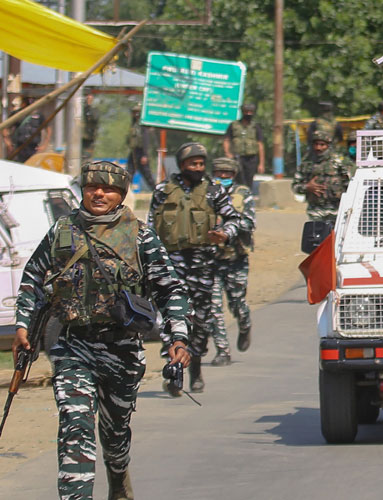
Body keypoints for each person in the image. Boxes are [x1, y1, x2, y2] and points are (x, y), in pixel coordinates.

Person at [13, 161, 192, 499]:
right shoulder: (61, 231)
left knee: (115, 433)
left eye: (108, 189)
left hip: (122, 349)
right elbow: (33, 279)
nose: (99, 193)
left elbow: (170, 288)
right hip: (71, 345)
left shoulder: (141, 235)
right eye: (93, 187)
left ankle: (118, 473)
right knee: (75, 425)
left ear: (120, 195)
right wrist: (23, 324)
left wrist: (177, 336)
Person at [147, 143, 248, 392]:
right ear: (182, 166)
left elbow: (236, 218)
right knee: (171, 319)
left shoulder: (213, 191)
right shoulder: (162, 190)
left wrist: (225, 234)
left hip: (203, 265)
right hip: (171, 266)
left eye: (202, 164)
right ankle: (174, 373)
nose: (198, 168)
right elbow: (150, 227)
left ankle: (196, 366)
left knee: (201, 322)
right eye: (193, 164)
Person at [208, 158, 256, 366]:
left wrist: (228, 227)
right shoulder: (205, 193)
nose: (223, 177)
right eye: (219, 173)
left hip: (236, 257)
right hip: (211, 259)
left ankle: (244, 324)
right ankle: (222, 350)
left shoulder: (243, 194)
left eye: (227, 173)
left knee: (237, 303)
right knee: (213, 306)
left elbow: (249, 222)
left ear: (234, 175)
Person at [292, 130, 351, 224]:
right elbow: (295, 187)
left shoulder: (339, 162)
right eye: (316, 144)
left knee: (334, 237)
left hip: (337, 209)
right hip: (315, 210)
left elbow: (350, 185)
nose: (318, 148)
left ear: (328, 145)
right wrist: (307, 187)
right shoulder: (306, 163)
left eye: (322, 144)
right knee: (317, 236)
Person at [223, 102, 265, 188]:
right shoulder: (234, 125)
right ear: (243, 112)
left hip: (251, 159)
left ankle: (247, 197)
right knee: (237, 180)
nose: (248, 114)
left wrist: (261, 164)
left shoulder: (255, 126)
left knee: (249, 181)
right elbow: (226, 140)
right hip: (237, 158)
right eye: (246, 111)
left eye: (250, 112)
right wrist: (228, 154)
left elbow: (260, 145)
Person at [126, 104, 157, 191]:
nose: (135, 114)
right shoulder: (134, 124)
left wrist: (145, 155)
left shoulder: (143, 125)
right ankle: (126, 191)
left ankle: (155, 191)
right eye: (134, 112)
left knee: (147, 173)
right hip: (134, 151)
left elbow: (145, 140)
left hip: (141, 151)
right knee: (129, 171)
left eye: (137, 112)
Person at [11, 96, 50, 163]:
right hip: (19, 147)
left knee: (32, 166)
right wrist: (9, 144)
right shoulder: (16, 114)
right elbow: (5, 128)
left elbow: (48, 130)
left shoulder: (39, 115)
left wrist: (44, 145)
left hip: (33, 148)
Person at [82, 93, 99, 159]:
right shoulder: (82, 109)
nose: (88, 100)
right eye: (87, 98)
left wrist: (89, 108)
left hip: (89, 136)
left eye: (90, 99)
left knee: (87, 155)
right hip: (80, 135)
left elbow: (95, 118)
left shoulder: (94, 110)